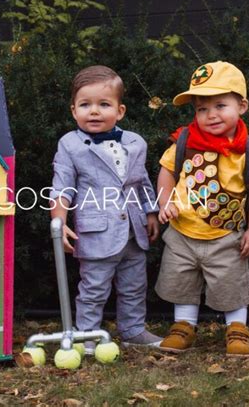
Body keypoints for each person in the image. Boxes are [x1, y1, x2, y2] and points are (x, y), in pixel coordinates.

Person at [155, 61, 249, 357]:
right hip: (182, 232)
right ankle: (183, 325)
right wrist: (164, 202)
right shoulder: (185, 141)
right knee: (181, 279)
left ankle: (237, 328)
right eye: (201, 109)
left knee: (230, 282)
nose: (210, 115)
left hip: (225, 234)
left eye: (220, 105)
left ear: (241, 106)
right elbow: (166, 172)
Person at [50, 65, 161, 352]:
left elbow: (142, 181)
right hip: (96, 231)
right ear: (74, 110)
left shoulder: (136, 143)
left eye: (104, 104)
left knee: (134, 285)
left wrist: (150, 212)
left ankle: (133, 329)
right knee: (94, 288)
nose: (94, 111)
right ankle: (86, 334)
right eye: (85, 105)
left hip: (134, 231)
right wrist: (58, 222)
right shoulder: (70, 145)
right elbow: (62, 187)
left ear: (120, 111)